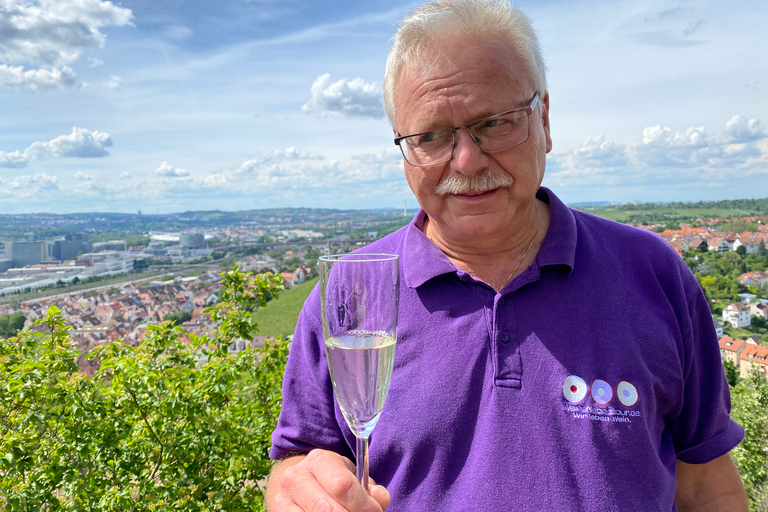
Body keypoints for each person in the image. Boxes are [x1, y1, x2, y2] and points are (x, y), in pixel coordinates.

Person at [266, 0, 748, 510]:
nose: (468, 161)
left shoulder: (652, 271)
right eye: (431, 136)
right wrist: (292, 487)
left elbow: (704, 478)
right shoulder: (348, 294)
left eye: (494, 122)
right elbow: (297, 463)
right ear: (404, 151)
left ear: (543, 118)